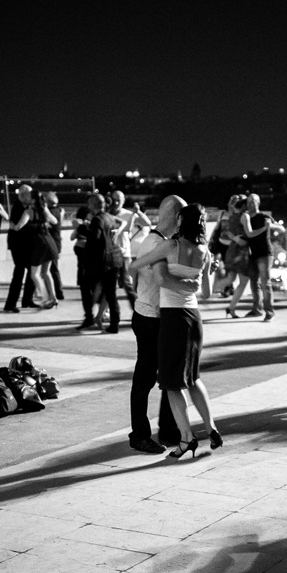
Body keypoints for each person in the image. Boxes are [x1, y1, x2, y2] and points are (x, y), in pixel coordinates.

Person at [136, 204, 221, 458]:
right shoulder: (205, 251)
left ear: (181, 221)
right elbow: (205, 292)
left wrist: (153, 271)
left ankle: (186, 439)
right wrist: (198, 279)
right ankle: (212, 428)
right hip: (194, 317)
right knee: (193, 377)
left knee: (172, 384)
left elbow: (140, 262)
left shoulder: (171, 246)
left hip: (173, 318)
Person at [125, 195, 185, 454]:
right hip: (150, 319)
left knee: (166, 375)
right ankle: (139, 434)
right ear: (176, 217)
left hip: (152, 316)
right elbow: (159, 278)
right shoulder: (155, 242)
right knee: (146, 378)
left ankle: (169, 429)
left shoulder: (158, 240)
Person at [79, 193, 124, 333]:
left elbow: (95, 236)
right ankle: (114, 324)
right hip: (115, 259)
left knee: (85, 285)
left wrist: (81, 228)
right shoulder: (110, 217)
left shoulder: (97, 219)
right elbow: (117, 226)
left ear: (92, 205)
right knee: (111, 293)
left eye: (89, 204)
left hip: (101, 262)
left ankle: (89, 318)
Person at [238, 194, 279, 321]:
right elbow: (250, 234)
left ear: (258, 203)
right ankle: (257, 309)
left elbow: (281, 228)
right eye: (248, 202)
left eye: (253, 201)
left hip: (265, 253)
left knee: (265, 283)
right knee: (254, 283)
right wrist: (264, 228)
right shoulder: (245, 217)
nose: (250, 204)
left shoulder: (264, 217)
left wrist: (270, 225)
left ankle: (269, 312)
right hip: (252, 254)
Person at [109, 190, 148, 310]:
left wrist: (138, 212)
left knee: (126, 283)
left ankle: (137, 309)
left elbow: (147, 223)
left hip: (123, 252)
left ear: (123, 201)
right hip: (108, 253)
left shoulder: (128, 214)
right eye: (114, 199)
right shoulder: (106, 213)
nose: (116, 202)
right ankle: (107, 311)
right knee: (108, 285)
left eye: (118, 200)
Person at [223, 196, 256, 317]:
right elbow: (250, 233)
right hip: (241, 251)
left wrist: (235, 238)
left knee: (230, 279)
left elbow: (228, 232)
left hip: (232, 249)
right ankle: (231, 307)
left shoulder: (231, 217)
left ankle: (230, 307)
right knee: (243, 281)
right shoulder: (244, 216)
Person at [71, 206, 93, 320]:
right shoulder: (84, 225)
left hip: (83, 253)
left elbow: (72, 237)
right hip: (84, 254)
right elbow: (72, 236)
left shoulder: (90, 225)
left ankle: (89, 313)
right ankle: (91, 312)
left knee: (87, 285)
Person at [45, 191, 65, 300]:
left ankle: (57, 292)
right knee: (55, 269)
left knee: (50, 270)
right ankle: (59, 292)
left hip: (50, 244)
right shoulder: (59, 211)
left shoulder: (49, 213)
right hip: (57, 243)